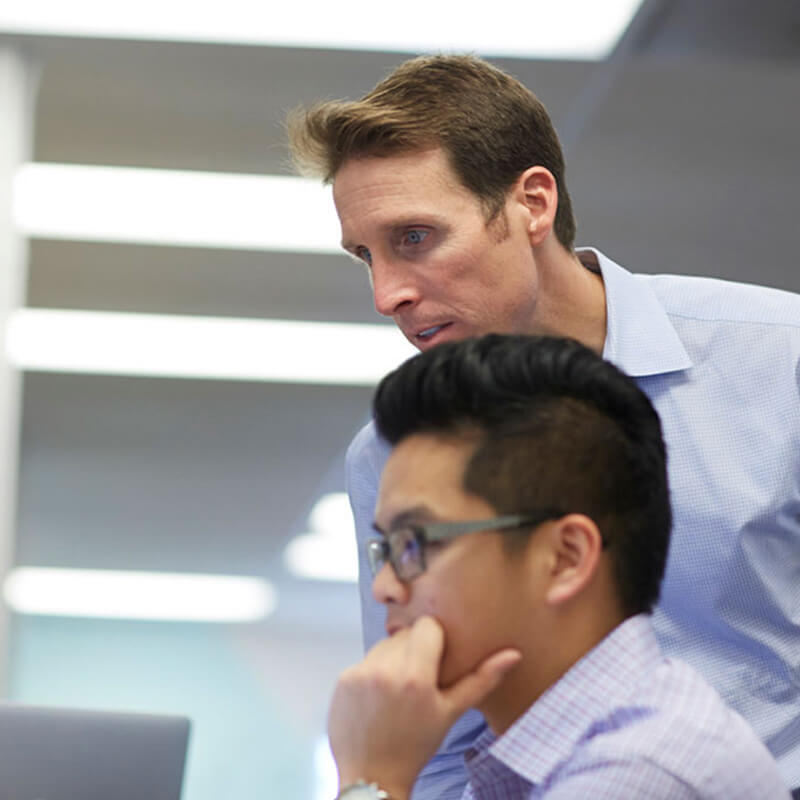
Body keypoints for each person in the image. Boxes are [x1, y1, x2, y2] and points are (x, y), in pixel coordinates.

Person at [287, 54, 800, 798]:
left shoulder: (779, 357)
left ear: (532, 204)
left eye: (415, 238)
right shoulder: (396, 455)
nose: (386, 293)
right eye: (365, 255)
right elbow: (435, 748)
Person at [327, 334, 790, 800]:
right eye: (386, 548)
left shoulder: (637, 772)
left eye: (415, 543)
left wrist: (373, 780)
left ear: (566, 558)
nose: (384, 587)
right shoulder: (557, 751)